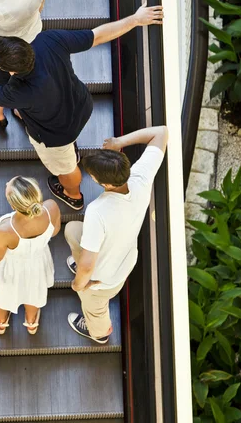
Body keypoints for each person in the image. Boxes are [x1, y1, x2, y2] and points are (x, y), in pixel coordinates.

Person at [0, 4, 164, 210]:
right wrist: (135, 19)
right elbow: (98, 35)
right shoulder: (49, 40)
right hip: (80, 105)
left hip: (57, 136)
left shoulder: (17, 92)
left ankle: (73, 194)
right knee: (29, 113)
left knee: (67, 167)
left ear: (11, 71)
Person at [64, 124, 168, 344]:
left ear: (106, 184)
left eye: (92, 176)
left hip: (102, 280)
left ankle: (99, 332)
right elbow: (161, 132)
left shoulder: (97, 212)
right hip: (124, 259)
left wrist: (78, 284)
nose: (90, 177)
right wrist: (119, 142)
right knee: (72, 230)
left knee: (92, 303)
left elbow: (87, 267)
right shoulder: (139, 178)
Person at [0, 176, 61, 335]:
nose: (6, 183)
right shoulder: (51, 207)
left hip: (10, 269)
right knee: (33, 294)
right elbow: (55, 231)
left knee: (3, 296)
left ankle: (2, 322)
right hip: (37, 263)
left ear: (12, 204)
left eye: (8, 186)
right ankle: (31, 322)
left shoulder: (6, 228)